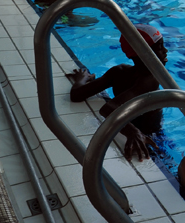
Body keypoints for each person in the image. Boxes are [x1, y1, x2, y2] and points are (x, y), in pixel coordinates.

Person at [67, 24, 168, 161]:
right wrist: (132, 132)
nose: (165, 51)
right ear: (143, 53)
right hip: (150, 137)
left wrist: (82, 79)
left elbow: (76, 94)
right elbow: (108, 109)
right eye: (160, 47)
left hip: (133, 126)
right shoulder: (150, 80)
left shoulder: (119, 72)